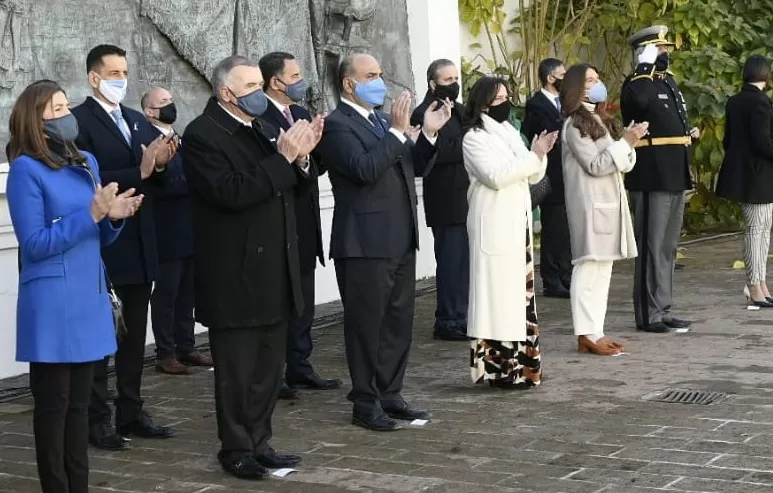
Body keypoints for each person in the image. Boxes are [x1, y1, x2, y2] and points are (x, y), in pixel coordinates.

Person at [182, 54, 321, 479]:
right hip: (235, 274)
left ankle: (261, 441)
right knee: (237, 373)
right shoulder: (203, 134)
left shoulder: (261, 126)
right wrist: (284, 159)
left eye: (262, 85)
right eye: (250, 88)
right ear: (226, 93)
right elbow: (232, 192)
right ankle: (236, 448)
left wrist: (301, 158)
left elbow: (291, 183)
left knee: (267, 369)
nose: (260, 94)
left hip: (274, 269)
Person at [6, 80, 143, 493]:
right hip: (52, 303)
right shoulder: (25, 169)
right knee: (54, 405)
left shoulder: (85, 162)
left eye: (67, 107)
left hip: (89, 296)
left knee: (82, 407)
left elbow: (98, 236)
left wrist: (113, 216)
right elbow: (34, 244)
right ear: (36, 119)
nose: (66, 116)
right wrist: (91, 213)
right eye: (56, 110)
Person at [316, 53, 452, 431]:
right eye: (370, 75)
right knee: (366, 325)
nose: (379, 81)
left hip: (399, 238)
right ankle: (365, 401)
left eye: (379, 73)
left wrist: (427, 133)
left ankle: (390, 393)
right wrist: (396, 132)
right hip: (363, 244)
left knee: (398, 322)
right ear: (349, 84)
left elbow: (413, 165)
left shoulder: (378, 120)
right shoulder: (336, 125)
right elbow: (364, 169)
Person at [72, 44, 177, 450]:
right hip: (105, 246)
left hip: (141, 243)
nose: (121, 79)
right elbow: (90, 181)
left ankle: (131, 411)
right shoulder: (78, 122)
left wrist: (162, 164)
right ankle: (97, 418)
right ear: (94, 77)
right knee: (102, 338)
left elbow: (158, 180)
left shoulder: (136, 120)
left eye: (125, 71)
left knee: (134, 337)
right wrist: (143, 168)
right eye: (113, 72)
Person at [462, 76, 557, 389]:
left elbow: (531, 174)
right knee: (496, 299)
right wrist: (533, 156)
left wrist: (539, 153)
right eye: (499, 98)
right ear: (484, 102)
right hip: (494, 224)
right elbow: (496, 176)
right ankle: (499, 370)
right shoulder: (474, 137)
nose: (506, 102)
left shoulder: (507, 130)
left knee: (518, 299)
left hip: (518, 224)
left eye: (507, 96)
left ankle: (523, 368)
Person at [258, 51, 342, 398]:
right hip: (276, 220)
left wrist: (310, 153)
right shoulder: (257, 116)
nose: (300, 82)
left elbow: (316, 165)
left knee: (304, 299)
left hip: (305, 219)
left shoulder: (303, 114)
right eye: (294, 77)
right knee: (277, 302)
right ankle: (272, 375)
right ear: (275, 82)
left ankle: (300, 366)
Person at [560, 64, 648, 355]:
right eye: (590, 80)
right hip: (589, 205)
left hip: (608, 204)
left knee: (603, 271)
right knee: (588, 269)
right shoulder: (574, 124)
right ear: (576, 87)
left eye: (598, 78)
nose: (597, 83)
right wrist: (625, 143)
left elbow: (625, 162)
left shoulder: (600, 120)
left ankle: (596, 330)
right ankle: (586, 332)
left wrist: (628, 143)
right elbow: (597, 165)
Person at [621, 26, 696, 333]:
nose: (666, 53)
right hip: (651, 175)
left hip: (673, 172)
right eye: (660, 48)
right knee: (651, 245)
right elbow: (637, 104)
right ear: (647, 51)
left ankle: (662, 308)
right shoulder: (638, 83)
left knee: (667, 246)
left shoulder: (667, 82)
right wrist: (643, 67)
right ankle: (648, 314)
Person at [141, 87, 212, 374]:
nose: (170, 105)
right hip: (165, 229)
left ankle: (186, 346)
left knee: (188, 292)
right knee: (167, 294)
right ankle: (165, 352)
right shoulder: (148, 140)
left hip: (190, 227)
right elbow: (161, 182)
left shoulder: (179, 138)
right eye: (163, 102)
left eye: (171, 100)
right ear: (149, 111)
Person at [410, 59, 470, 342]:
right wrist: (469, 146)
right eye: (447, 79)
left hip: (467, 197)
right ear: (433, 84)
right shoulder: (425, 112)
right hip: (446, 200)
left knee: (465, 264)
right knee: (450, 262)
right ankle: (447, 320)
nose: (453, 83)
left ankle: (463, 315)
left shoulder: (461, 109)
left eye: (456, 77)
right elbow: (436, 152)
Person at [715, 55, 773, 307]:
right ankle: (754, 284)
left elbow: (728, 140)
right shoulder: (761, 102)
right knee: (757, 231)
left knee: (759, 229)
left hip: (745, 173)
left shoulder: (735, 101)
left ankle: (760, 283)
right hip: (758, 175)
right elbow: (762, 142)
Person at [523, 58, 572, 299]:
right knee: (554, 228)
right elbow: (539, 131)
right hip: (550, 173)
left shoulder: (567, 102)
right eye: (562, 74)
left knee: (567, 229)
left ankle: (567, 274)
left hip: (569, 173)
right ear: (550, 77)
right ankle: (552, 279)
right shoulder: (536, 103)